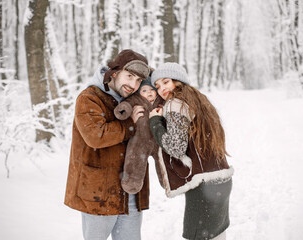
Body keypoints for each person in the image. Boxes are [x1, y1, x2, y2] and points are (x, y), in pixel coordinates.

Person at [64, 49, 151, 240]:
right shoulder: (89, 98)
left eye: (138, 81)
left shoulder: (134, 100)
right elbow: (96, 136)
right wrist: (130, 124)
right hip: (98, 194)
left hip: (130, 194)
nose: (133, 85)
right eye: (129, 76)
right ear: (115, 72)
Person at [149, 62, 234, 240]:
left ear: (178, 81)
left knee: (198, 236)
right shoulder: (199, 100)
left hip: (203, 186)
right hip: (221, 181)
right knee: (217, 236)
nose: (161, 89)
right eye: (157, 86)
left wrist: (155, 122)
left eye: (166, 82)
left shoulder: (175, 103)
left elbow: (175, 147)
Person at [113, 77, 164, 194]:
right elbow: (126, 105)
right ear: (139, 92)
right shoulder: (136, 99)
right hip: (140, 139)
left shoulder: (161, 100)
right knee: (135, 160)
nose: (149, 92)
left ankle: (168, 182)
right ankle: (131, 182)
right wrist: (123, 110)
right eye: (144, 90)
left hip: (158, 138)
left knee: (163, 161)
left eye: (151, 89)